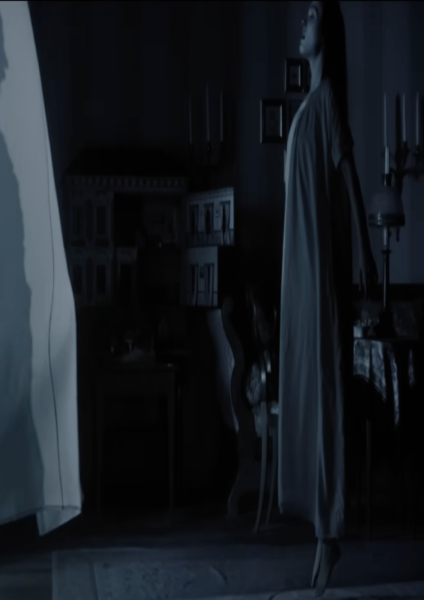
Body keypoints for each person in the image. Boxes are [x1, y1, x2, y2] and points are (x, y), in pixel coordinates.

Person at [278, 1, 378, 598]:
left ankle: (329, 530)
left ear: (328, 33)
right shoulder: (309, 103)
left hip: (320, 266)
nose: (302, 21)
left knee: (328, 393)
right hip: (301, 268)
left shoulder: (330, 97)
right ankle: (322, 530)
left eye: (311, 14)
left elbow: (349, 175)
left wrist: (364, 249)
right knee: (311, 392)